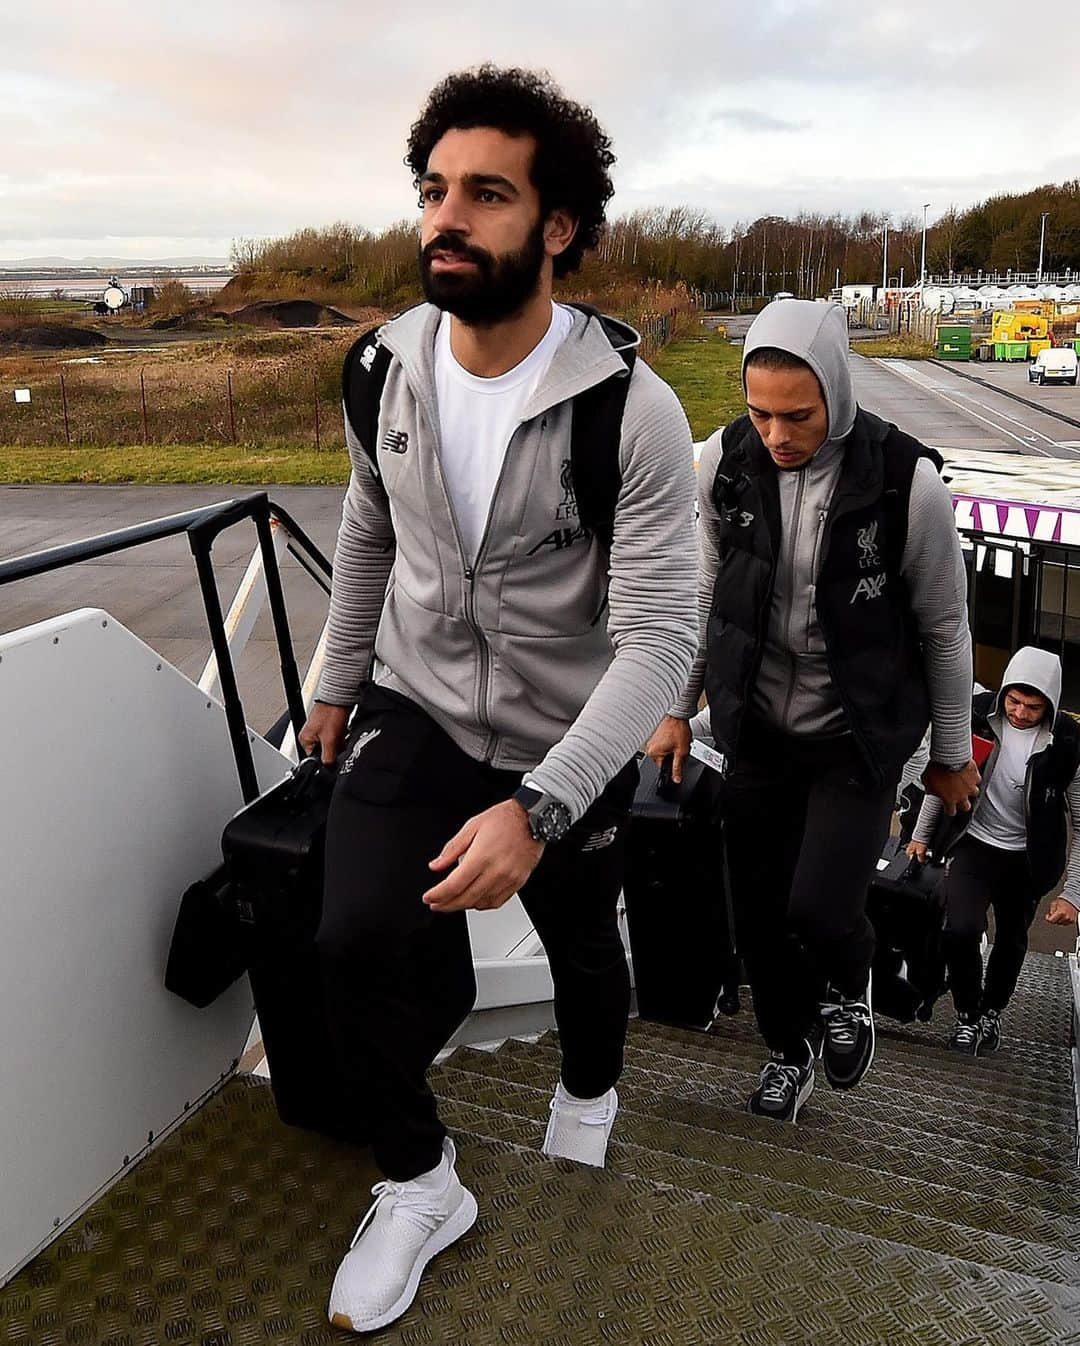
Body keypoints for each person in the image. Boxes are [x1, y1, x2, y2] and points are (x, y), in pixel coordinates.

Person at [298, 65, 697, 1334]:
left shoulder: (629, 411)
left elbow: (659, 638)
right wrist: (331, 681)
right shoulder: (381, 369)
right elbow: (369, 529)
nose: (444, 219)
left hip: (564, 731)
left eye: (485, 193)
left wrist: (541, 803)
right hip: (416, 706)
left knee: (585, 948)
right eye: (432, 190)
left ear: (558, 225)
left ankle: (586, 1101)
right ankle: (421, 1180)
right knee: (348, 938)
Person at [647, 298, 976, 1124]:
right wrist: (678, 708)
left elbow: (943, 626)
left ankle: (853, 980)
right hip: (755, 729)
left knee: (820, 907)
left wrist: (949, 752)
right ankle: (786, 1051)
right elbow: (703, 598)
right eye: (760, 412)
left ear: (838, 392)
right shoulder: (722, 462)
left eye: (798, 414)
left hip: (852, 737)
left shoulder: (907, 484)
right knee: (757, 918)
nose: (777, 434)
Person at [907, 647, 1080, 1054]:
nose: (1019, 713)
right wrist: (919, 835)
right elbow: (945, 777)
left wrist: (1073, 894)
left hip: (1027, 857)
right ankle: (967, 1013)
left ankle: (991, 1012)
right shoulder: (978, 717)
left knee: (1012, 938)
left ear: (1050, 706)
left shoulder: (1067, 744)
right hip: (975, 843)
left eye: (1033, 707)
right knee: (960, 928)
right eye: (1014, 701)